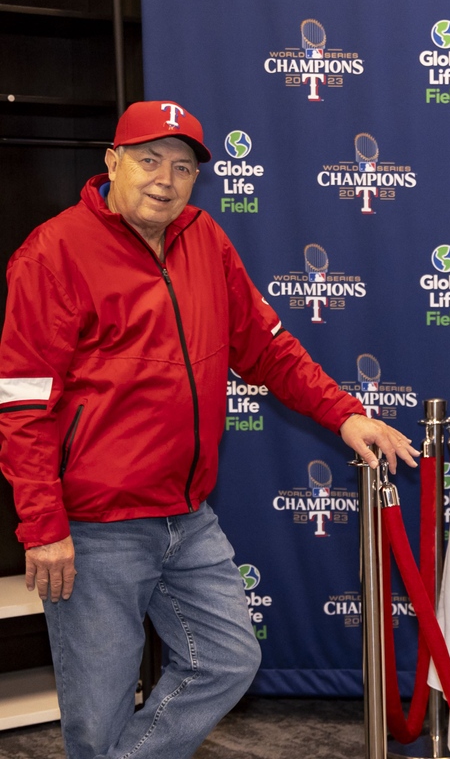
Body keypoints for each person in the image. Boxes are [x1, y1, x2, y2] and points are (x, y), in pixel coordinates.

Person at [0, 100, 419, 759]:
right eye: (147, 160)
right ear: (112, 162)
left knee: (227, 659)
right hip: (97, 524)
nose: (165, 180)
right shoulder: (53, 252)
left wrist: (344, 412)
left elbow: (268, 347)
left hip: (187, 515)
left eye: (182, 168)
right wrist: (43, 524)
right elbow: (23, 405)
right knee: (98, 711)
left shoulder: (205, 239)